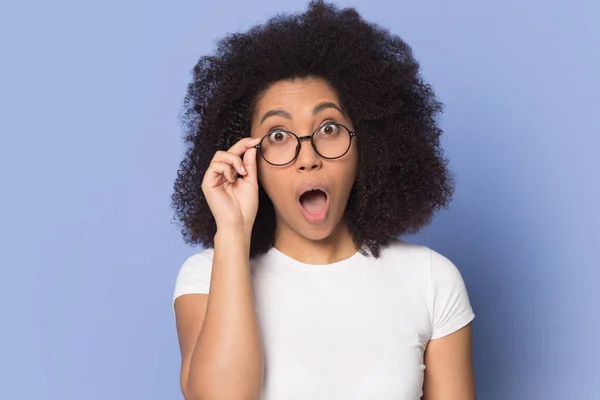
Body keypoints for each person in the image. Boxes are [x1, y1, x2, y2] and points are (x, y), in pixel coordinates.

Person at [171, 1, 475, 399]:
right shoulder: (207, 277)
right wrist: (232, 231)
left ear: (368, 140)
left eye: (328, 128)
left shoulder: (431, 280)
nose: (308, 157)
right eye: (278, 136)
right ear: (248, 157)